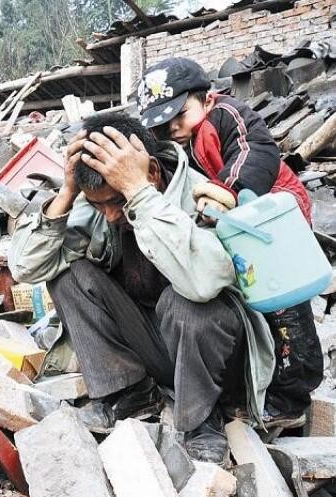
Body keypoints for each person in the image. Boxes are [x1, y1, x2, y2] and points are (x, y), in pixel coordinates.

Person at [8, 112, 275, 464]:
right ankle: (131, 392)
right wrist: (68, 193)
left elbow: (204, 283)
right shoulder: (98, 208)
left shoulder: (201, 198)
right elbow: (26, 267)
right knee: (69, 275)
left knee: (186, 304)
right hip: (158, 345)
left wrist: (140, 194)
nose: (111, 215)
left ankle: (202, 418)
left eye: (117, 201)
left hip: (215, 358)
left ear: (149, 172)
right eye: (97, 203)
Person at [137, 57, 322, 428]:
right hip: (239, 231)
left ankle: (292, 398)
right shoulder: (177, 144)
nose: (172, 128)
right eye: (162, 123)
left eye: (180, 115)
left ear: (205, 100)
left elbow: (255, 151)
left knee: (286, 305)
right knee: (259, 302)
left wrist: (226, 190)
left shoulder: (226, 115)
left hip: (272, 219)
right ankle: (263, 382)